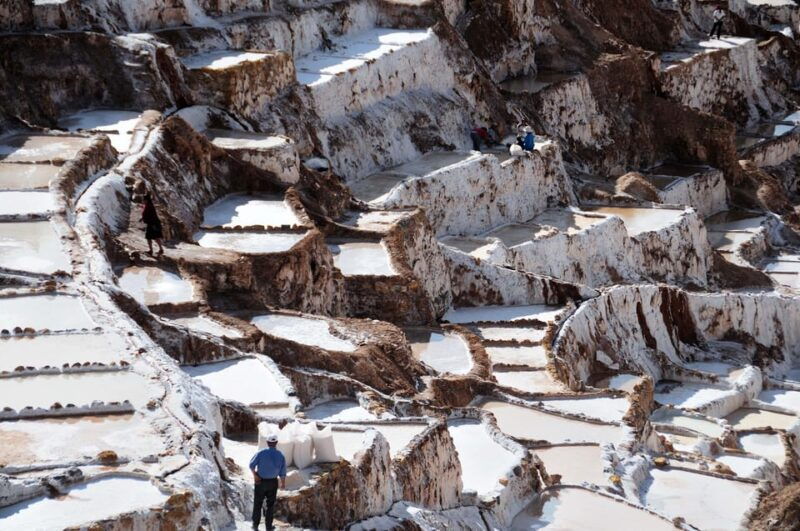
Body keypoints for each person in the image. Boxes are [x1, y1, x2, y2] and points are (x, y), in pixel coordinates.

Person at [249, 434, 286, 530]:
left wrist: (255, 476)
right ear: (276, 443)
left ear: (267, 442)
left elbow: (251, 465)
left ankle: (255, 525)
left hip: (260, 481)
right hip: (273, 482)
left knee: (258, 503)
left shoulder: (261, 453)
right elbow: (283, 472)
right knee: (270, 505)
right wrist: (283, 483)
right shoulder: (280, 455)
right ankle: (268, 527)